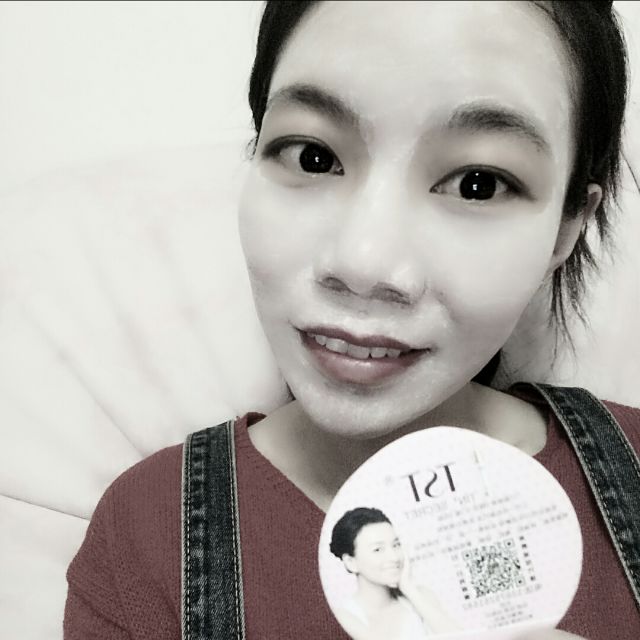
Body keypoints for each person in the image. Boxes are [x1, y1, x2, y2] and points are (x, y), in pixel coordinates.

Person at [63, 1, 639, 639]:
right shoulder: (146, 538)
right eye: (312, 156)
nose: (364, 264)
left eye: (478, 183)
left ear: (567, 227)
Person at [329, 507, 457, 639]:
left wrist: (409, 589)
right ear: (351, 562)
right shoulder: (345, 617)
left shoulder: (421, 596)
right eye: (378, 549)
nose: (394, 557)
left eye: (396, 545)